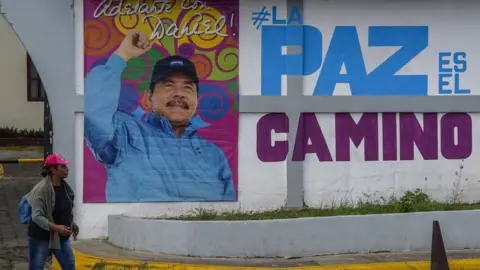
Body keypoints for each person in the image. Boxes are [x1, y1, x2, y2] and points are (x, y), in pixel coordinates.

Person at [84, 30, 236, 203]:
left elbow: (227, 211)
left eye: (188, 87)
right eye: (169, 85)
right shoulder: (125, 134)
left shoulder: (214, 155)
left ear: (197, 101)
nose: (179, 93)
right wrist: (123, 54)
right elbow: (91, 110)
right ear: (148, 98)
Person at [25, 153, 78, 270]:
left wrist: (71, 223)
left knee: (70, 266)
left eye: (66, 166)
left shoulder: (66, 188)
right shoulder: (41, 189)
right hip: (41, 237)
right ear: (53, 170)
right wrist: (57, 228)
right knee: (36, 267)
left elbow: (64, 209)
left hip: (60, 238)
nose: (67, 169)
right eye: (63, 167)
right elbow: (37, 216)